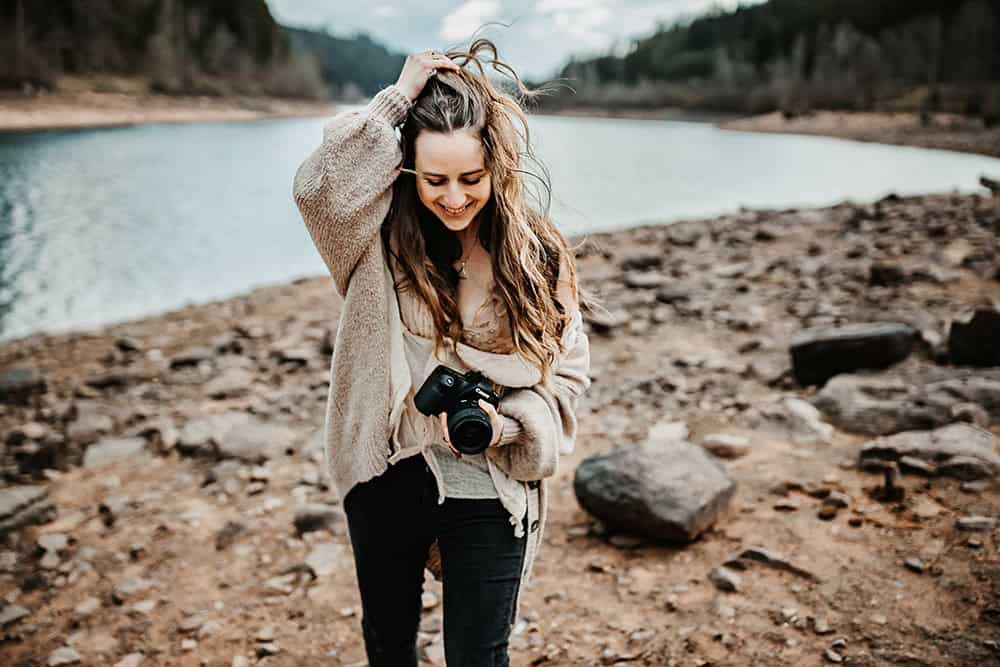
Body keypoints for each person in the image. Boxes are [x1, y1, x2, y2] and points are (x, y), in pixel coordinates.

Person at [292, 38, 592, 666]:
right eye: (434, 179)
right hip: (387, 468)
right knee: (390, 648)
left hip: (490, 474)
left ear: (498, 170)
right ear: (407, 171)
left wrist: (510, 424)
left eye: (470, 178)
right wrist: (394, 102)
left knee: (479, 658)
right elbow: (319, 189)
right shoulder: (374, 244)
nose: (453, 197)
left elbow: (568, 370)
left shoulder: (536, 254)